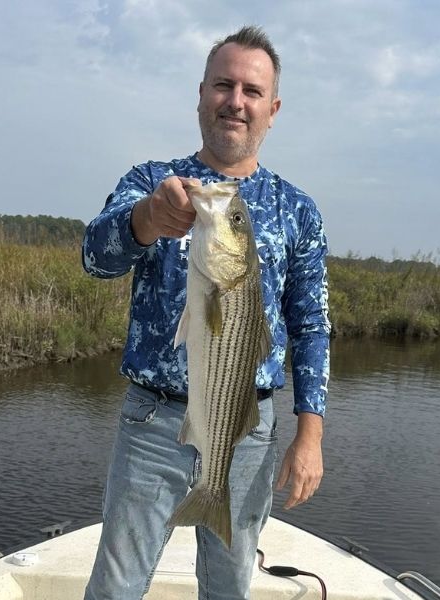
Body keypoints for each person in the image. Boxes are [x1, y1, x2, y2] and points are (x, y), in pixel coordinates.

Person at [80, 25, 330, 600]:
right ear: (200, 94)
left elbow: (312, 325)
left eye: (251, 90)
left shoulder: (297, 210)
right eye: (223, 85)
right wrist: (146, 219)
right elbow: (95, 258)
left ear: (273, 108)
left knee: (228, 589)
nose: (235, 102)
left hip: (248, 429)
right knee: (115, 587)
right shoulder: (154, 181)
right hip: (152, 424)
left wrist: (309, 434)